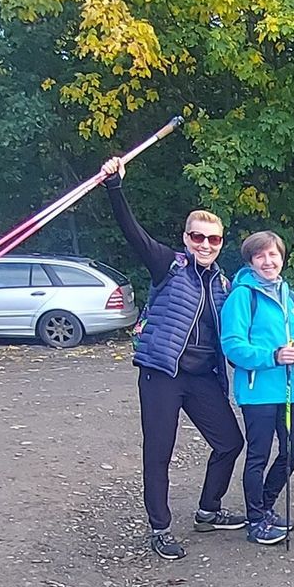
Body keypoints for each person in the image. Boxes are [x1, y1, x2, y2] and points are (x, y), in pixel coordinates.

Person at [100, 156, 246, 561]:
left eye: (213, 240)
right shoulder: (168, 265)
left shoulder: (224, 283)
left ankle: (208, 510)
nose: (205, 244)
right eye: (197, 237)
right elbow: (132, 233)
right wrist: (115, 186)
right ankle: (160, 527)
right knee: (159, 450)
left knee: (230, 442)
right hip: (162, 373)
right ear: (186, 238)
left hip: (202, 378)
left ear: (220, 243)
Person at [220, 231, 294, 545]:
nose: (268, 261)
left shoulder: (289, 295)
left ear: (282, 258)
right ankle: (256, 519)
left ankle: (265, 504)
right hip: (257, 389)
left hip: (291, 388)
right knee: (258, 455)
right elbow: (232, 346)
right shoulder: (242, 295)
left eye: (273, 255)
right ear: (250, 261)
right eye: (260, 256)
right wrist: (273, 356)